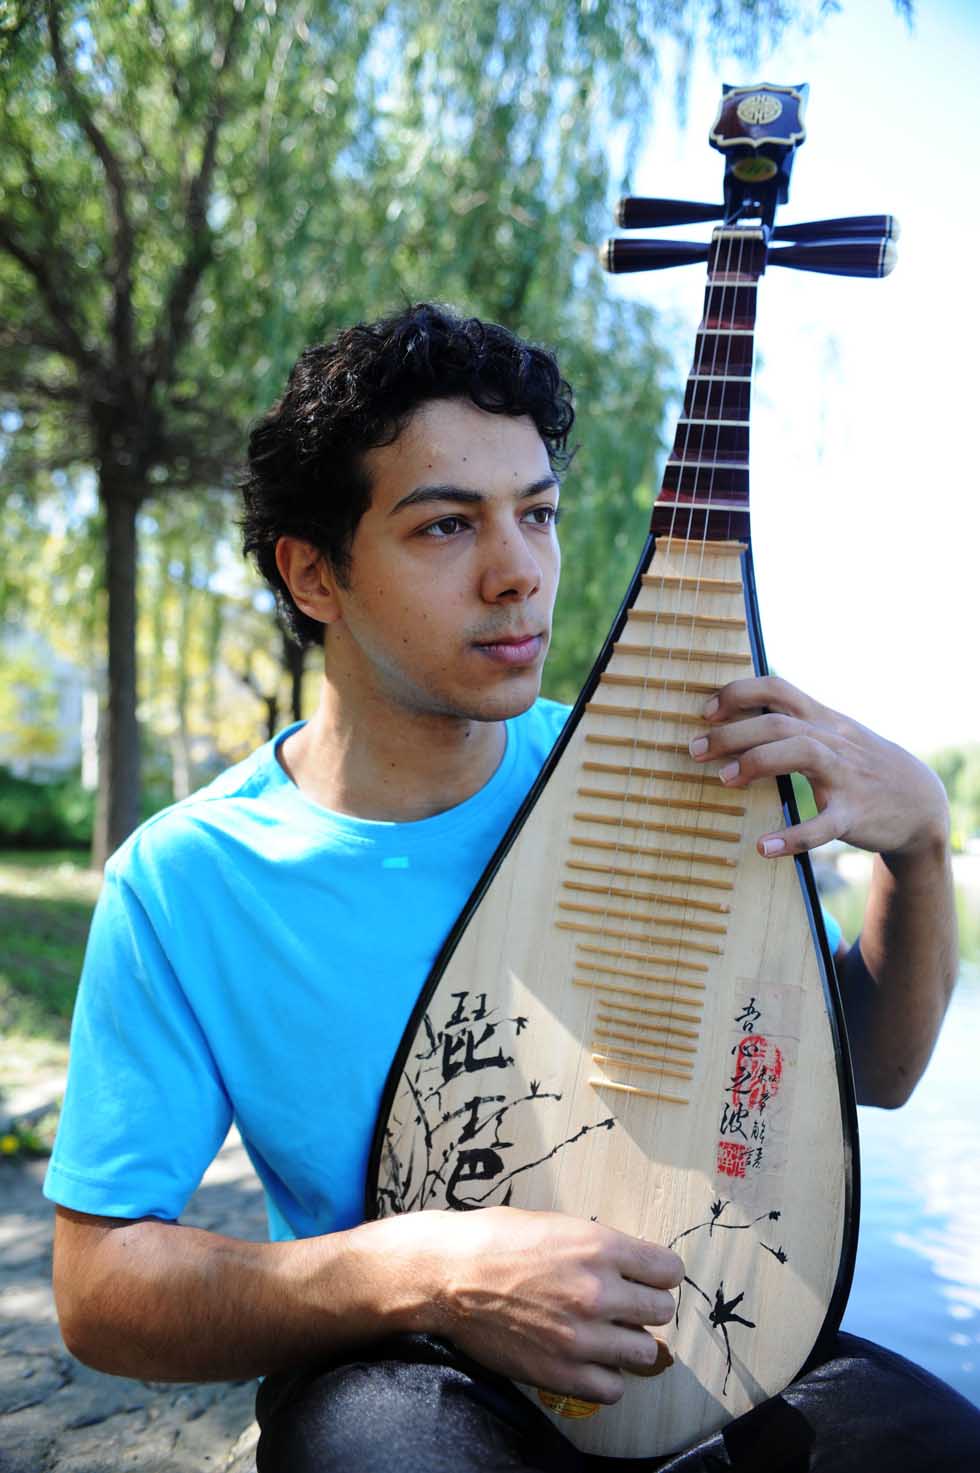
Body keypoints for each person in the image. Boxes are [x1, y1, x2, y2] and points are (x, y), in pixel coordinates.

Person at [45, 304, 979, 1471]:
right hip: (408, 1375)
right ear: (311, 573)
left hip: (708, 1344)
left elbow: (874, 1075)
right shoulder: (188, 882)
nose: (519, 574)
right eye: (446, 527)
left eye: (536, 514)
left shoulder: (659, 773)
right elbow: (97, 1288)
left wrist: (919, 849)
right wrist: (430, 1268)